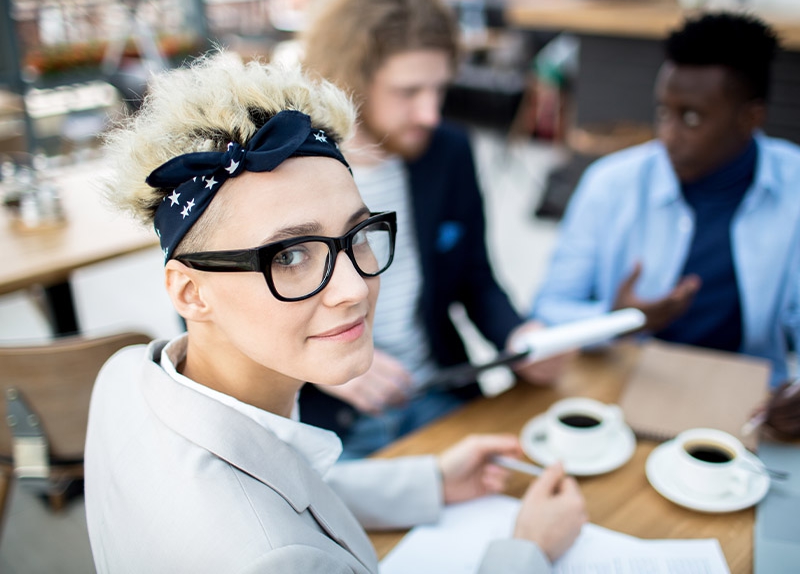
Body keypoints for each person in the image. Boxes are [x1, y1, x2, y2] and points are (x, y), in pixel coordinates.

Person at [83, 51, 586, 572]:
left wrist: (429, 482)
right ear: (189, 292)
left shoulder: (123, 376)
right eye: (290, 255)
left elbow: (276, 474)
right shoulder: (273, 559)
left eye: (357, 234)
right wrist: (529, 549)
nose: (355, 287)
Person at [298, 0, 565, 458]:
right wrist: (315, 363)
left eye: (439, 89)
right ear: (350, 80)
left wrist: (520, 336)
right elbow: (218, 318)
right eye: (408, 91)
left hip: (438, 390)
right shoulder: (285, 166)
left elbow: (476, 280)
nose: (430, 113)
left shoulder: (448, 152)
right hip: (327, 421)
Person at [532, 12, 800, 395]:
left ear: (750, 118)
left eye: (690, 118)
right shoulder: (610, 184)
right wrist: (619, 320)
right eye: (663, 112)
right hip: (625, 384)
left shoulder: (794, 188)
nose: (668, 136)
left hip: (751, 399)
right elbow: (548, 308)